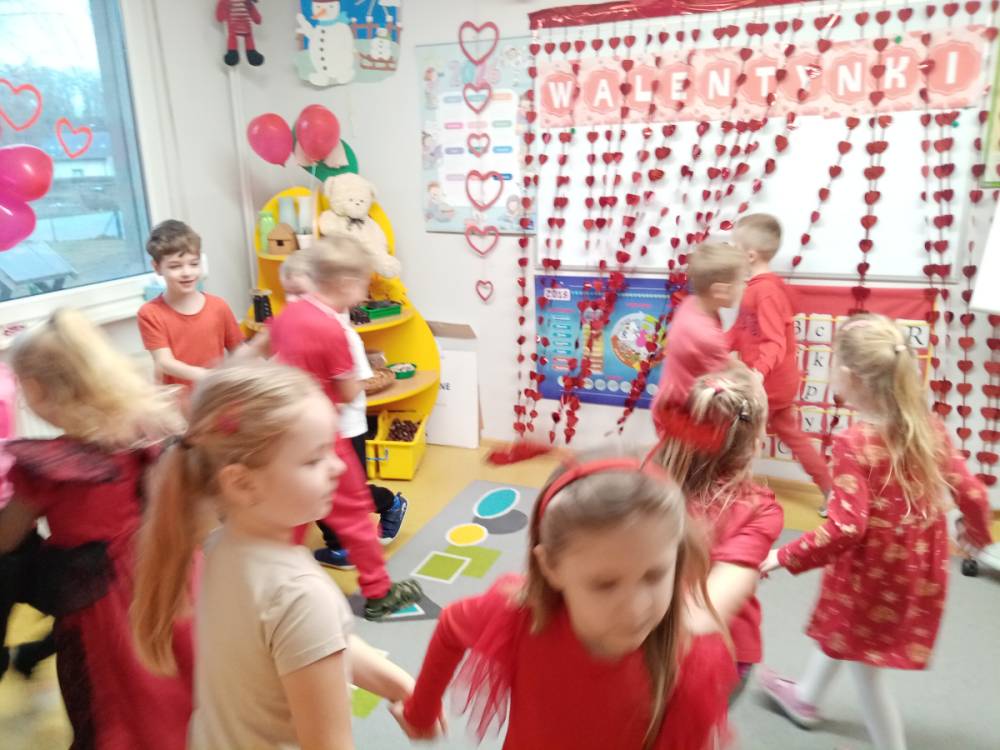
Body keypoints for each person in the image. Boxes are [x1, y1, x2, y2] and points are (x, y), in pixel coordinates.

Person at [132, 363, 425, 749]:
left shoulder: (219, 546)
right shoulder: (301, 595)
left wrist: (398, 685)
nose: (339, 466)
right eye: (314, 459)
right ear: (242, 483)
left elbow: (311, 642)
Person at [758, 314, 994, 750]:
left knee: (865, 671)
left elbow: (847, 527)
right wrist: (975, 535)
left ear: (849, 377)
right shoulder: (928, 426)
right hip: (917, 564)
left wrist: (781, 556)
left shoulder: (854, 443)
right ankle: (806, 697)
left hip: (872, 573)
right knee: (846, 631)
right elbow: (975, 495)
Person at [399, 455, 737, 749]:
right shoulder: (515, 616)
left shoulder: (688, 664)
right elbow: (450, 625)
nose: (635, 609)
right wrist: (420, 712)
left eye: (655, 576)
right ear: (551, 567)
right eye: (604, 584)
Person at [0, 309, 191, 749]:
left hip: (103, 599)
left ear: (37, 390)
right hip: (166, 573)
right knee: (173, 681)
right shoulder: (141, 429)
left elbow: (6, 537)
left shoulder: (48, 467)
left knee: (117, 698)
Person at [263, 237, 422, 620]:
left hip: (286, 434)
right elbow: (349, 392)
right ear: (346, 283)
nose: (366, 292)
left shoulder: (288, 315)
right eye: (364, 282)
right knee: (352, 512)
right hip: (321, 436)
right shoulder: (332, 329)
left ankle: (275, 587)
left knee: (294, 511)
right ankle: (378, 592)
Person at [654, 362, 784, 702]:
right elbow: (702, 615)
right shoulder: (758, 508)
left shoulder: (649, 482)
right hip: (721, 654)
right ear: (755, 443)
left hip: (645, 642)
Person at [277, 250, 410, 569]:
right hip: (310, 429)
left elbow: (354, 386)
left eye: (301, 293)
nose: (294, 302)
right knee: (316, 489)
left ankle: (390, 504)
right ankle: (338, 545)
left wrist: (324, 397)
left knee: (350, 494)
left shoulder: (341, 333)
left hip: (346, 428)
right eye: (288, 294)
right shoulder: (292, 326)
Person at [729, 213, 833, 514]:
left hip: (769, 383)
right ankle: (830, 488)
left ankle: (734, 492)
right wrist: (712, 344)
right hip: (772, 381)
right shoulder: (757, 288)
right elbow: (740, 331)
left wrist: (758, 374)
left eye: (734, 247)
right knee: (789, 435)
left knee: (738, 434)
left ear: (749, 255)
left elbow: (775, 341)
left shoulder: (765, 291)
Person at [651, 241, 746, 435]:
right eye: (740, 282)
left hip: (673, 406)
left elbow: (719, 361)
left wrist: (740, 369)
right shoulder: (706, 336)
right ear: (720, 290)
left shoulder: (692, 303)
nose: (744, 286)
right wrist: (752, 382)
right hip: (682, 418)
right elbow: (725, 387)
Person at [137, 220, 244, 390]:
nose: (187, 273)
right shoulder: (150, 313)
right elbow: (165, 362)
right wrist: (209, 377)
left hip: (214, 396)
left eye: (194, 264)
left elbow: (238, 350)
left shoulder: (219, 306)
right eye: (175, 266)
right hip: (178, 400)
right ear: (157, 267)